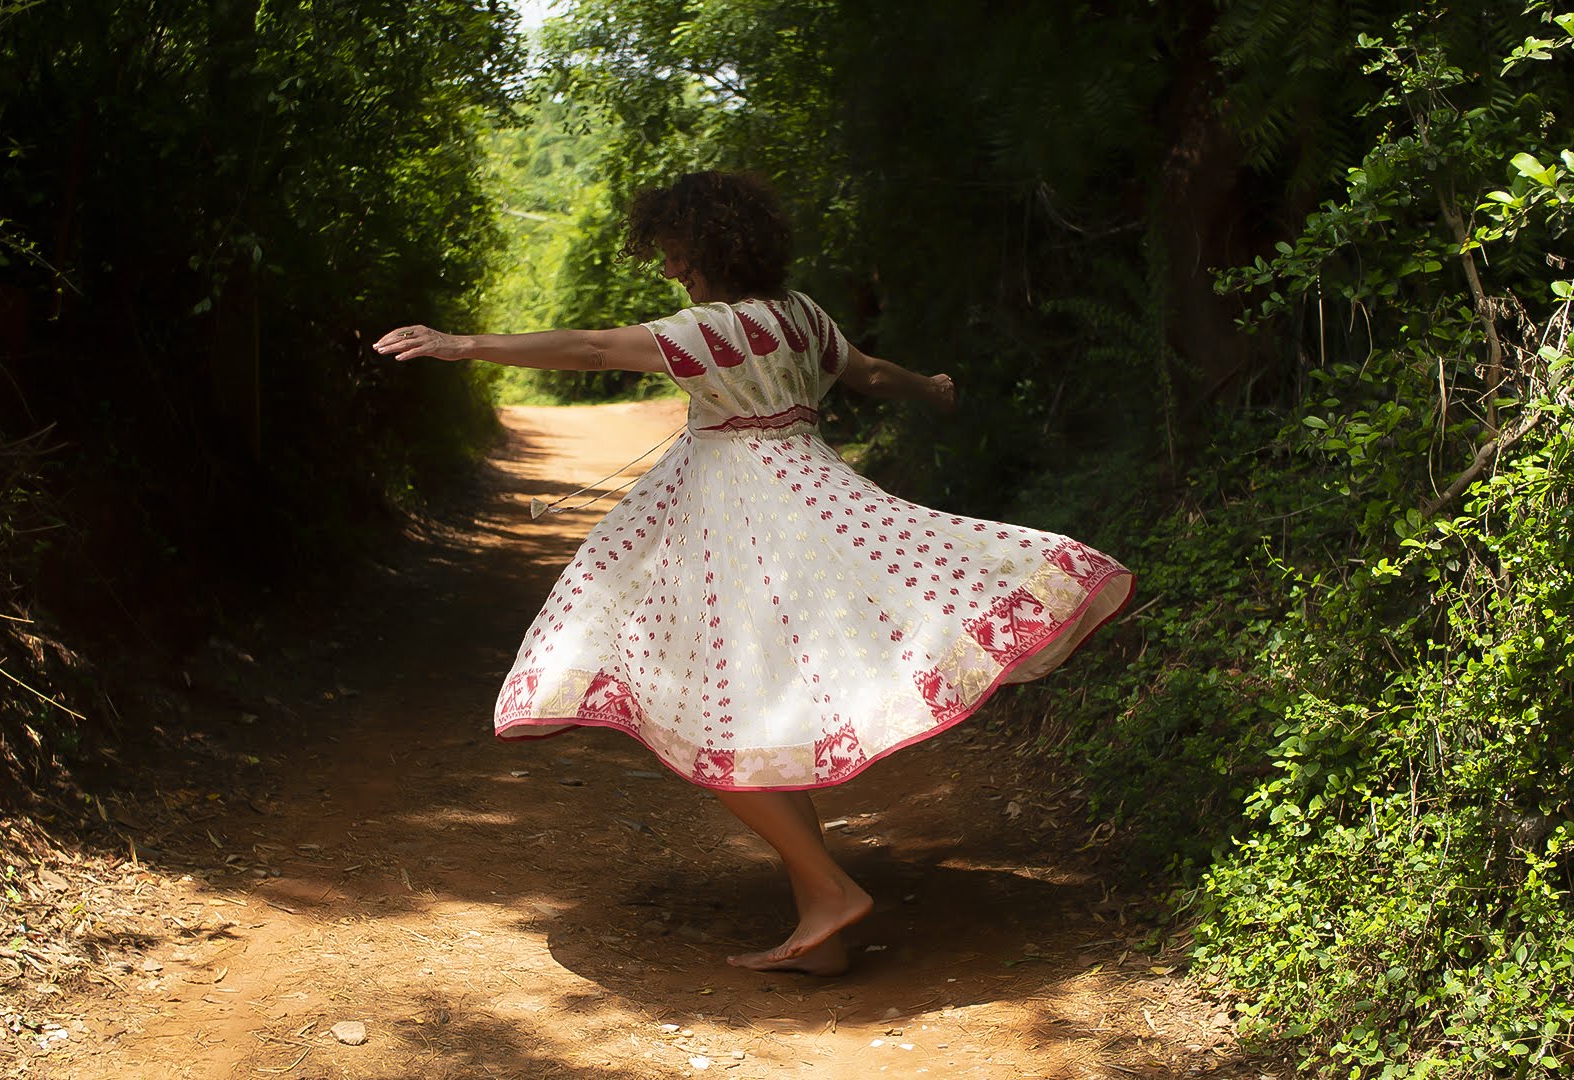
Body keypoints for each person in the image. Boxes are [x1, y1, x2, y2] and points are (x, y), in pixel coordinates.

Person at [375, 171, 1133, 976]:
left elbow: (594, 347)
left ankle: (832, 894)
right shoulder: (804, 316)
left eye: (677, 257)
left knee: (706, 710)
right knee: (757, 710)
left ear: (710, 250)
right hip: (813, 498)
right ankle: (823, 922)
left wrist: (464, 346)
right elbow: (872, 374)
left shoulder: (708, 332)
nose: (672, 273)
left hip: (735, 516)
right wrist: (933, 390)